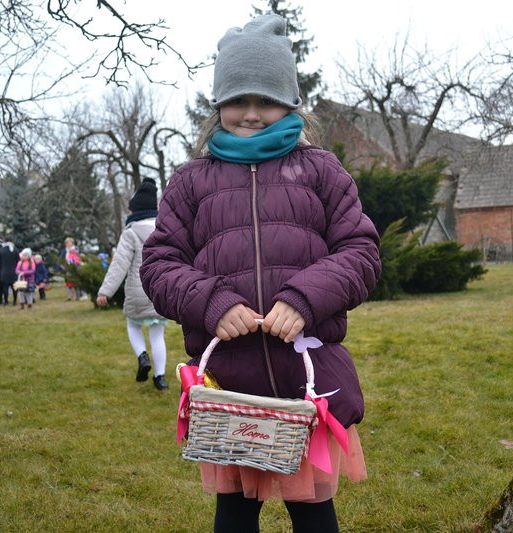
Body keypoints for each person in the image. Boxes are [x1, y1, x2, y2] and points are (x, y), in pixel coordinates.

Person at [139, 15, 380, 533]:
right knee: (234, 517)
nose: (250, 113)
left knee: (315, 516)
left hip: (306, 381)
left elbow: (361, 252)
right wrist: (212, 304)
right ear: (218, 105)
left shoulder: (320, 170)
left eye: (265, 100)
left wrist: (305, 298)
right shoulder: (190, 183)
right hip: (230, 386)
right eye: (237, 100)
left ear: (290, 103)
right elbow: (159, 266)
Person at [97, 178, 169, 389]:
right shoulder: (162, 229)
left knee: (133, 324)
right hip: (158, 291)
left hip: (137, 292)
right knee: (158, 335)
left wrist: (106, 291)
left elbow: (119, 265)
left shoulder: (130, 233)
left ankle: (142, 356)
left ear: (135, 209)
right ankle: (160, 378)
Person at [0, 240, 19, 305]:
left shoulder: (1, 250)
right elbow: (18, 261)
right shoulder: (15, 250)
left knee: (5, 287)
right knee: (14, 287)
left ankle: (6, 301)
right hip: (13, 271)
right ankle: (15, 300)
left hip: (4, 271)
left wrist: (1, 269)